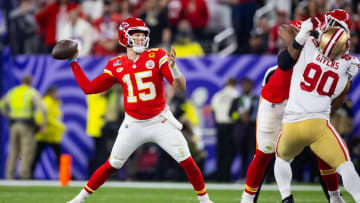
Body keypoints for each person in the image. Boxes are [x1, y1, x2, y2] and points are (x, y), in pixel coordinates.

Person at [67, 17, 213, 203]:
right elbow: (89, 88)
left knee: (187, 160)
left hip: (160, 119)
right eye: (135, 35)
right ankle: (78, 199)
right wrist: (73, 62)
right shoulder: (116, 64)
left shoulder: (157, 55)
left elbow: (180, 87)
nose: (140, 39)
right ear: (124, 37)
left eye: (142, 35)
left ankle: (206, 201)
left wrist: (174, 69)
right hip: (133, 123)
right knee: (112, 165)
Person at [240, 19, 345, 203]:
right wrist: (306, 36)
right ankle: (247, 200)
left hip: (299, 106)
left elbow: (336, 92)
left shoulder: (334, 55)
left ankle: (334, 197)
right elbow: (284, 31)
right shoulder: (312, 30)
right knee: (265, 153)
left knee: (323, 150)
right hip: (275, 102)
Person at [274, 15, 360, 203]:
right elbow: (335, 98)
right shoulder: (345, 65)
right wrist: (349, 80)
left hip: (291, 122)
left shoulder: (309, 45)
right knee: (345, 166)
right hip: (318, 124)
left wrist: (301, 36)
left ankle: (286, 197)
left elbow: (283, 60)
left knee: (281, 159)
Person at [0, 75, 47, 179]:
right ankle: (24, 175)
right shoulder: (31, 93)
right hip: (27, 126)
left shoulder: (13, 92)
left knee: (13, 151)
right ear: (31, 82)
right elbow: (43, 109)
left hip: (13, 125)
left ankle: (9, 176)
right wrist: (43, 124)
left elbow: (2, 104)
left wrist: (8, 115)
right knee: (26, 151)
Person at [32, 86, 65, 177]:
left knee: (39, 155)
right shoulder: (47, 102)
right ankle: (29, 174)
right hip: (46, 134)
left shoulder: (53, 103)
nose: (56, 95)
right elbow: (45, 118)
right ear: (50, 93)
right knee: (38, 155)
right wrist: (60, 126)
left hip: (52, 134)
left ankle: (64, 175)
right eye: (55, 93)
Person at [211, 77, 238, 182]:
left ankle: (219, 176)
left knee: (220, 151)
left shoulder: (218, 95)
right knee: (229, 152)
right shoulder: (235, 94)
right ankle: (227, 177)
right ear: (235, 84)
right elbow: (235, 112)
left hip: (219, 125)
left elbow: (213, 110)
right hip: (230, 125)